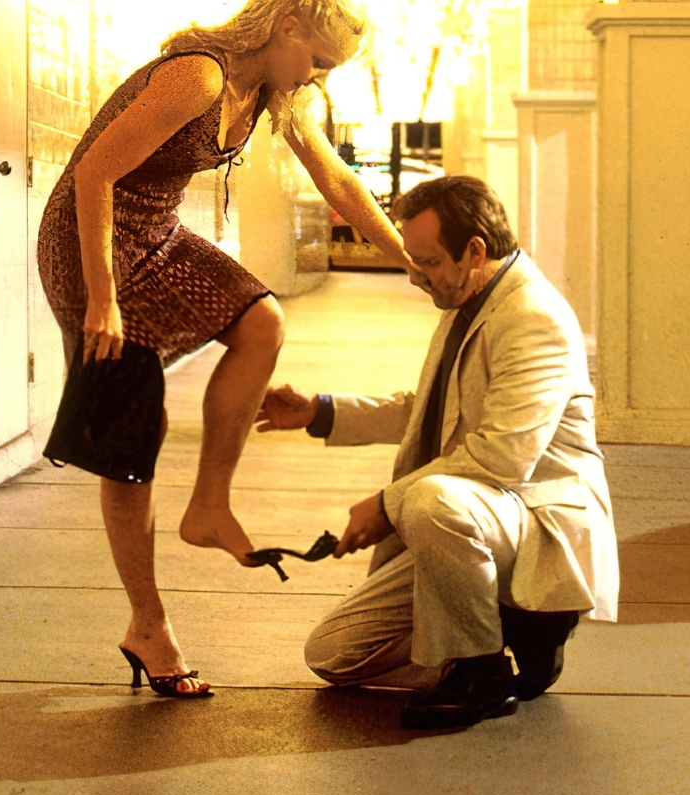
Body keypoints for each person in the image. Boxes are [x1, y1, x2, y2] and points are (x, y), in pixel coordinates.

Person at [35, 0, 407, 699]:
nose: (319, 77)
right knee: (131, 437)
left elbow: (337, 181)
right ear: (288, 25)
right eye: (319, 60)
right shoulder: (198, 77)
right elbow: (94, 174)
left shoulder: (275, 95)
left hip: (158, 233)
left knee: (262, 322)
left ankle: (208, 505)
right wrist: (102, 301)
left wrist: (410, 260)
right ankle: (148, 624)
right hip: (90, 246)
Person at [258, 176, 619, 730]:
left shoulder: (532, 318)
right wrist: (320, 412)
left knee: (430, 501)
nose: (415, 275)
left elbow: (503, 457)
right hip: (481, 518)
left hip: (531, 520)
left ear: (474, 250)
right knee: (333, 654)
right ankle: (505, 629)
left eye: (427, 262)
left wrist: (385, 505)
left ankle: (483, 672)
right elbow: (428, 409)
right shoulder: (467, 298)